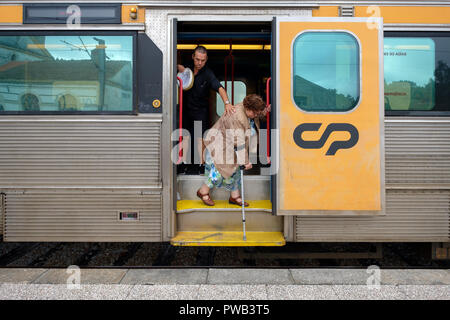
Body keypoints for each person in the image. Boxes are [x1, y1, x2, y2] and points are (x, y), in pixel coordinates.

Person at [196, 94, 269, 206]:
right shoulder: (237, 117)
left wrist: (266, 111)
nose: (256, 115)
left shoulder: (248, 110)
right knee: (219, 171)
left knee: (235, 170)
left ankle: (234, 196)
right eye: (255, 113)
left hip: (230, 145)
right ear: (248, 108)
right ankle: (203, 191)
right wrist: (246, 162)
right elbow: (239, 143)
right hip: (220, 144)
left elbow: (257, 115)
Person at [177, 46, 234, 174]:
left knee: (199, 138)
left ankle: (201, 165)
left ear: (206, 59)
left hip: (200, 111)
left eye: (202, 60)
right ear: (193, 57)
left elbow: (220, 88)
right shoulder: (187, 68)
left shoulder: (208, 73)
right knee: (185, 136)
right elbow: (176, 66)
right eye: (197, 59)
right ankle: (183, 164)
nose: (199, 63)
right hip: (185, 109)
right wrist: (178, 67)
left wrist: (227, 103)